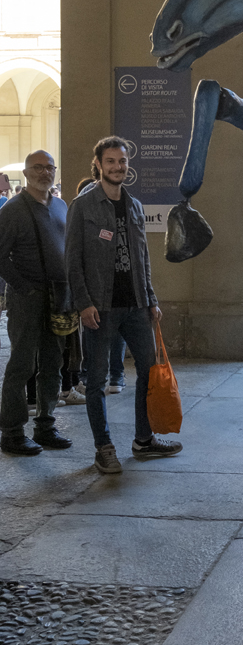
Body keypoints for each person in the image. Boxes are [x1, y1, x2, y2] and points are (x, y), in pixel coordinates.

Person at [66, 136, 182, 473]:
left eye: (123, 161)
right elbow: (72, 261)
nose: (118, 166)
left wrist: (151, 298)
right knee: (97, 380)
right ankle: (103, 447)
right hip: (100, 309)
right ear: (99, 165)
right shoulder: (83, 206)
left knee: (148, 370)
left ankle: (143, 441)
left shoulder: (134, 205)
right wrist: (83, 304)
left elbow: (142, 257)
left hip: (135, 306)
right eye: (111, 161)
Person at [0, 150, 73, 455]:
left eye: (50, 167)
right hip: (27, 300)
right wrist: (23, 288)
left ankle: (45, 425)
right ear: (27, 173)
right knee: (21, 365)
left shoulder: (60, 205)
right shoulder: (13, 209)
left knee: (53, 364)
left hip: (58, 298)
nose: (45, 173)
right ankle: (12, 432)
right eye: (38, 168)